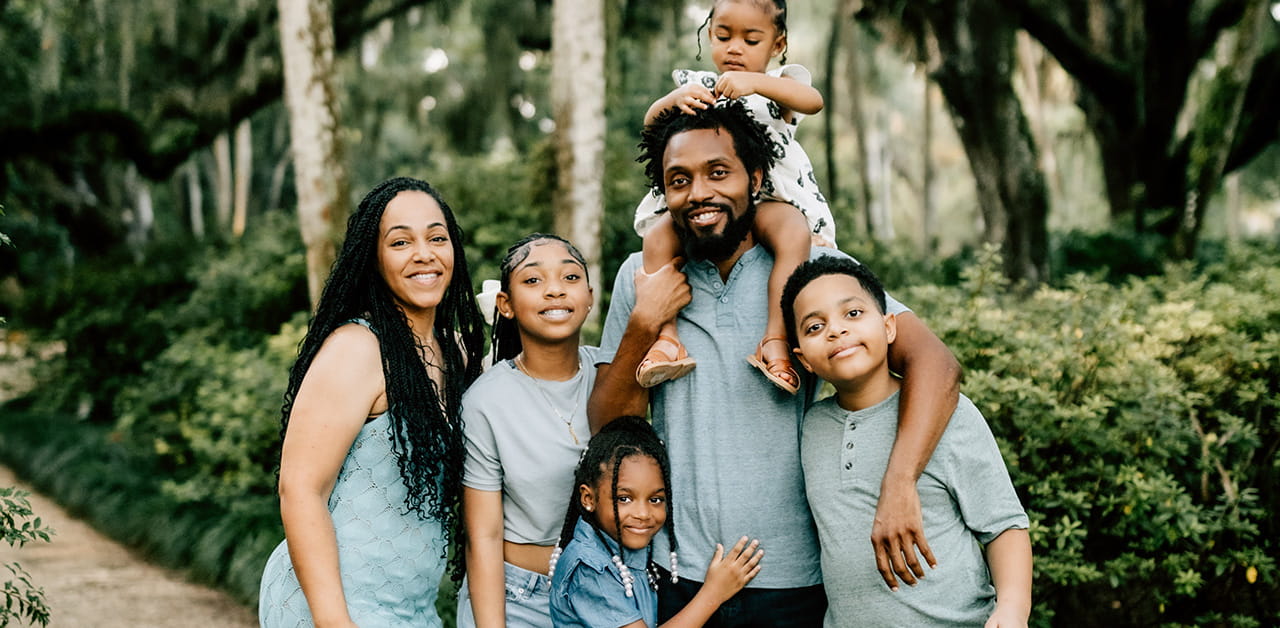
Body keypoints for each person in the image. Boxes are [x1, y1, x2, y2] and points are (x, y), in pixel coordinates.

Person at [588, 101, 962, 626]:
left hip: (796, 580)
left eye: (719, 172)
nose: (699, 193)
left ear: (756, 177)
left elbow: (935, 362)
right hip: (679, 578)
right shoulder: (643, 276)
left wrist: (899, 484)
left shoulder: (815, 271)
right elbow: (608, 426)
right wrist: (644, 323)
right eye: (679, 180)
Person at [258, 177, 486, 627]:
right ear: (374, 258)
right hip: (337, 604)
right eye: (401, 241)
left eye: (437, 237)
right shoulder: (359, 348)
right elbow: (300, 490)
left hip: (414, 610)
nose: (424, 253)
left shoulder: (458, 354)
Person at [781, 256, 1032, 627]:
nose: (836, 331)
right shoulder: (811, 429)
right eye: (816, 326)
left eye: (852, 314)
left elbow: (1003, 524)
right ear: (804, 360)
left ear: (888, 327)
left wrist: (1012, 608)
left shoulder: (947, 415)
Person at [633, 0, 833, 394]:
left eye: (751, 39)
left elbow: (814, 101)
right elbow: (651, 123)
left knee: (793, 232)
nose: (735, 48)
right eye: (723, 37)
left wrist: (756, 83)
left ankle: (775, 339)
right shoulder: (697, 84)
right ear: (709, 36)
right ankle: (667, 340)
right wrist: (673, 102)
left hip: (769, 200)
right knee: (657, 237)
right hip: (711, 204)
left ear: (778, 44)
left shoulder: (778, 86)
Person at [457, 234, 598, 627]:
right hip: (519, 597)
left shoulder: (611, 376)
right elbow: (483, 535)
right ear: (506, 305)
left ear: (589, 295)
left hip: (604, 591)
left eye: (570, 278)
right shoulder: (486, 401)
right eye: (533, 281)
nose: (554, 291)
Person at [548, 416, 764, 627]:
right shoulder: (591, 569)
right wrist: (713, 594)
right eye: (624, 498)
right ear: (589, 498)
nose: (643, 513)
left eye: (655, 499)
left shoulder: (624, 543)